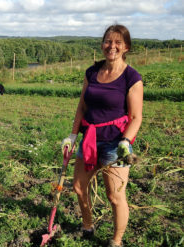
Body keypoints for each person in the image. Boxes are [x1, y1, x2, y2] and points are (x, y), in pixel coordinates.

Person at [61, 24, 143, 247]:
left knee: (114, 197)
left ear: (126, 47)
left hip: (115, 145)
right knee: (78, 187)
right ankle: (87, 226)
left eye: (118, 42)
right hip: (89, 140)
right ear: (102, 44)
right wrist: (72, 134)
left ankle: (117, 240)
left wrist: (125, 141)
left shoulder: (131, 77)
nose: (112, 46)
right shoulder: (92, 72)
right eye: (108, 41)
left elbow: (136, 117)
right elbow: (82, 106)